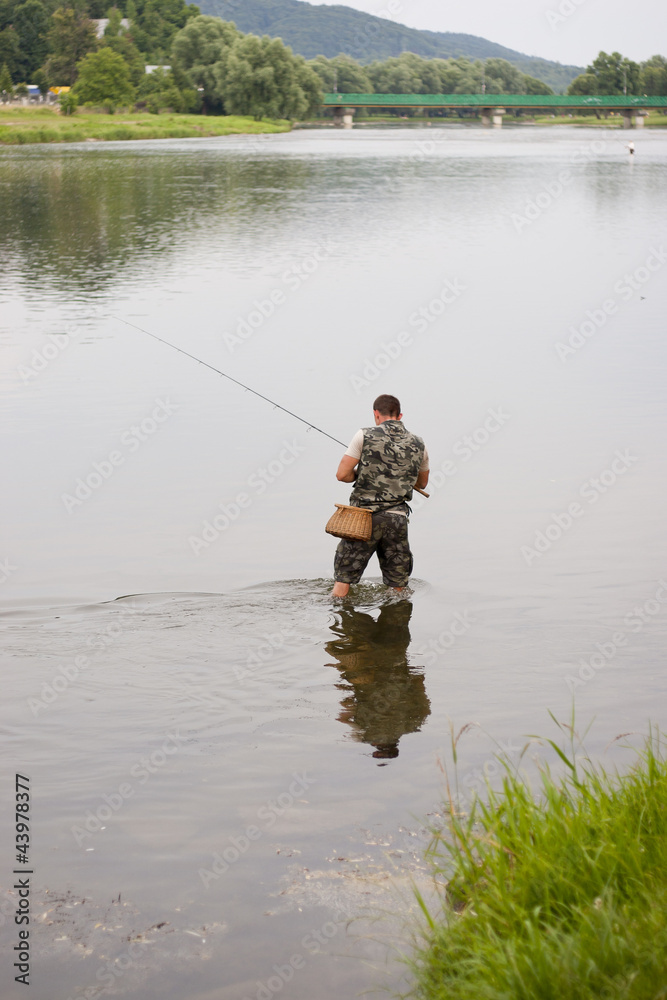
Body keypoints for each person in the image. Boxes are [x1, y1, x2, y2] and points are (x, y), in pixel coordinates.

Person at [331, 394, 429, 598]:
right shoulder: (419, 443)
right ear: (400, 415)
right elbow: (422, 484)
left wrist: (361, 474)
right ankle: (395, 615)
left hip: (362, 520)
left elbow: (342, 475)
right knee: (398, 585)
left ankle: (339, 614)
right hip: (397, 519)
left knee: (343, 579)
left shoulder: (363, 435)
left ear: (376, 414)